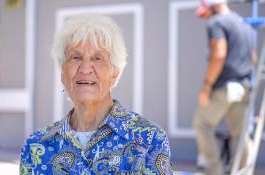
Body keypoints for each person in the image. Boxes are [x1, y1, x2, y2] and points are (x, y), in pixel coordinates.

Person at [20, 13, 172, 175]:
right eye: (76, 57)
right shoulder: (35, 146)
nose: (85, 69)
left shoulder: (149, 139)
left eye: (97, 58)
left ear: (115, 73)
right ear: (63, 72)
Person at [193, 0, 257, 174]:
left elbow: (219, 54)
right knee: (241, 133)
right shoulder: (245, 25)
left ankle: (215, 172)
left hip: (225, 87)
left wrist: (207, 86)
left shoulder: (217, 22)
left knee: (202, 124)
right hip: (244, 87)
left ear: (213, 6)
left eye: (205, 11)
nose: (205, 17)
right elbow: (254, 58)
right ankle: (245, 171)